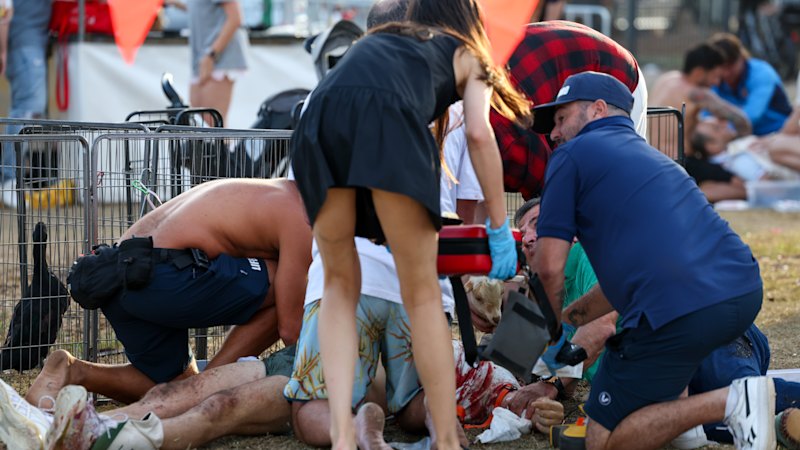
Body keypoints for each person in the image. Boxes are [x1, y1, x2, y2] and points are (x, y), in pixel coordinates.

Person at [290, 0, 531, 447]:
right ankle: (446, 440)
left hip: (317, 121)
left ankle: (342, 436)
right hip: (389, 118)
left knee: (339, 286)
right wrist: (500, 227)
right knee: (422, 294)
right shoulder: (467, 53)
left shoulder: (386, 39)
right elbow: (479, 134)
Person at [531, 71, 771, 450]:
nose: (554, 134)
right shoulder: (658, 160)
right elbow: (624, 283)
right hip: (742, 292)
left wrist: (548, 335)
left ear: (597, 110)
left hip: (679, 310)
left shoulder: (571, 156)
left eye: (561, 119)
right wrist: (570, 317)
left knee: (601, 442)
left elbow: (548, 267)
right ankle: (694, 425)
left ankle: (731, 402)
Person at [24, 178, 311, 405]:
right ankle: (211, 385)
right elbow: (291, 328)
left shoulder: (270, 191)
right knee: (293, 292)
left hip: (119, 273)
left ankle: (72, 370)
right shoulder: (303, 214)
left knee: (178, 386)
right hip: (158, 274)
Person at [491, 20, 648, 200]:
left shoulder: (509, 138)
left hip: (616, 71)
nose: (554, 134)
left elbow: (551, 193)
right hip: (562, 54)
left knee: (620, 183)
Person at [649, 42, 753, 203]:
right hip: (682, 161)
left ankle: (691, 190)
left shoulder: (667, 79)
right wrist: (741, 143)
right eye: (716, 76)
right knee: (745, 187)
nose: (717, 83)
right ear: (699, 72)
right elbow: (741, 120)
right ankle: (689, 195)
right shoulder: (696, 93)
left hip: (655, 158)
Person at [164, 0, 249, 126]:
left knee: (211, 125)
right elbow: (200, 8)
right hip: (203, 60)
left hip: (217, 60)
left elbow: (235, 18)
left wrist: (212, 55)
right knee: (200, 123)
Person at [0, 0, 51, 208]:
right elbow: (4, 11)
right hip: (25, 46)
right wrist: (2, 50)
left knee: (25, 111)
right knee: (25, 111)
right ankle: (10, 181)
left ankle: (11, 180)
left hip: (25, 45)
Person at [709, 32, 792, 136]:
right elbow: (705, 113)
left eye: (730, 66)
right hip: (738, 136)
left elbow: (751, 116)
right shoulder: (715, 79)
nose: (726, 73)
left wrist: (718, 130)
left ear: (741, 57)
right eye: (722, 67)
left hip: (776, 133)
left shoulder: (762, 73)